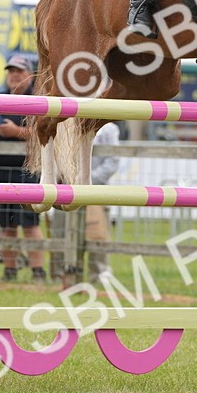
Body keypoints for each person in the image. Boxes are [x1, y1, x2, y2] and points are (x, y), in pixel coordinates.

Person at [0, 54, 46, 282]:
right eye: (11, 71)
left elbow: (43, 134)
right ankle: (10, 270)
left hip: (28, 171)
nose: (14, 75)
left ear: (30, 75)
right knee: (5, 225)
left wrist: (16, 132)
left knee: (30, 224)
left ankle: (38, 271)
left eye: (19, 71)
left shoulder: (39, 99)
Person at [86, 121, 121, 282]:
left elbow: (112, 161)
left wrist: (86, 180)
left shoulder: (109, 129)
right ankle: (61, 272)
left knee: (98, 235)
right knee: (62, 231)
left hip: (97, 189)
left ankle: (100, 274)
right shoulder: (67, 121)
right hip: (67, 186)